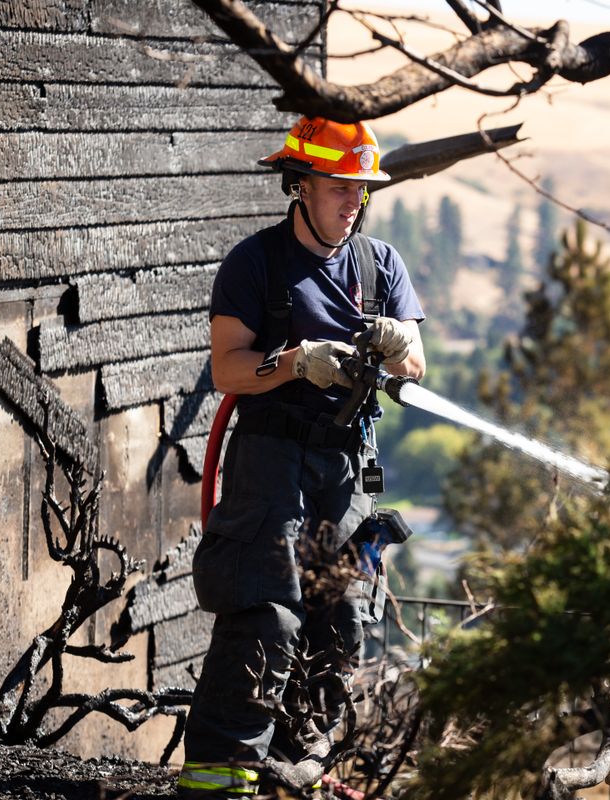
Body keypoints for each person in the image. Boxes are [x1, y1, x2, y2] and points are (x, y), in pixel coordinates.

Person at [180, 117, 425, 798]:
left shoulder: (381, 265)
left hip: (347, 469)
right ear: (302, 184)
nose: (355, 202)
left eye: (363, 190)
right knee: (267, 614)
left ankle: (294, 772)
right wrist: (293, 363)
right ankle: (218, 781)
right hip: (268, 462)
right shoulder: (254, 263)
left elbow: (417, 368)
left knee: (344, 615)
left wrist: (399, 340)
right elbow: (228, 370)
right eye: (341, 187)